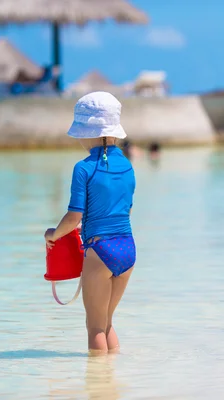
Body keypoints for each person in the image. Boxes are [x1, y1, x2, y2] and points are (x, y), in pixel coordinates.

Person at [44, 91, 137, 355]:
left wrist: (53, 234)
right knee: (106, 323)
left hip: (100, 250)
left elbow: (73, 217)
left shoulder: (83, 168)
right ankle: (111, 381)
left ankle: (96, 388)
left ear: (90, 133)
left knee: (94, 327)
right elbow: (125, 210)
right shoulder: (128, 165)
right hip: (127, 249)